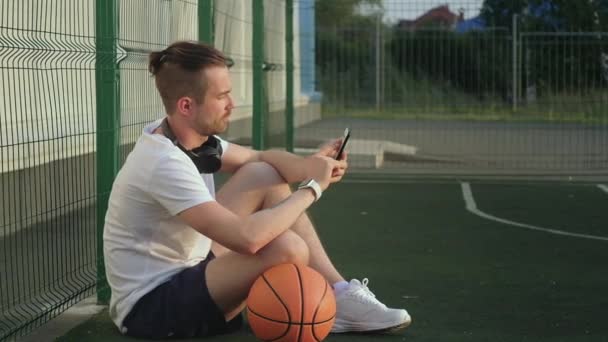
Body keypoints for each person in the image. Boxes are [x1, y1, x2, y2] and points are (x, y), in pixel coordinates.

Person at [103, 40, 411, 339]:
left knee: (263, 174)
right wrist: (313, 187)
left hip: (187, 268)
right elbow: (246, 239)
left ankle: (342, 295)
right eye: (222, 96)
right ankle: (329, 301)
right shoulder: (163, 161)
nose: (232, 104)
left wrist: (311, 165)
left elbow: (261, 159)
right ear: (186, 105)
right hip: (152, 307)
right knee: (287, 249)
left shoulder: (185, 134)